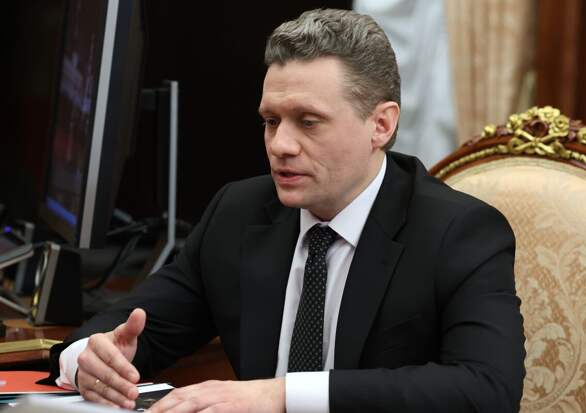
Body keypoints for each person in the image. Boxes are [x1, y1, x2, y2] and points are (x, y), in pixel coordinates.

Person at [50, 8, 525, 413]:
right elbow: (130, 330)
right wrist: (88, 359)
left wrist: (282, 395)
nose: (280, 145)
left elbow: (485, 390)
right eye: (271, 121)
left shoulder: (457, 231)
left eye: (308, 122)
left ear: (380, 125)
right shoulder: (238, 213)